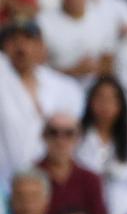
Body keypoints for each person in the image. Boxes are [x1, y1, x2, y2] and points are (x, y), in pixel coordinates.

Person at [0, 20, 85, 182]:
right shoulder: (2, 74)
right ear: (5, 46)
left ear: (40, 46)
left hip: (46, 186)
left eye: (28, 40)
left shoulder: (64, 87)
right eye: (14, 40)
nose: (21, 47)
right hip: (3, 182)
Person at [37, 0, 117, 84]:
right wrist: (74, 71)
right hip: (57, 91)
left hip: (95, 91)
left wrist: (94, 68)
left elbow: (109, 63)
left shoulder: (104, 19)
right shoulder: (43, 22)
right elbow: (38, 70)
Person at [37, 113, 107, 214]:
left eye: (68, 133)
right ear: (44, 136)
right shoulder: (30, 179)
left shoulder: (90, 179)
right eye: (54, 132)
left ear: (78, 138)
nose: (60, 140)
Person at [75, 76, 127, 182]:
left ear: (120, 106)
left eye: (111, 99)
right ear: (90, 101)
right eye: (100, 98)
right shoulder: (77, 135)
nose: (105, 105)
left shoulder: (125, 141)